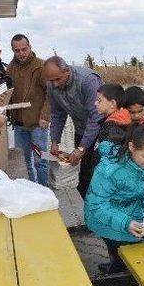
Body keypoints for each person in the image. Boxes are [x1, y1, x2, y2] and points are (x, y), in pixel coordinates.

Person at [84, 121, 144, 274]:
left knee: (132, 252)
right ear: (131, 147)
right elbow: (96, 204)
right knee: (125, 252)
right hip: (103, 217)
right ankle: (116, 274)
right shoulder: (109, 169)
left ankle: (118, 268)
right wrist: (125, 223)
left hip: (131, 215)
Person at [46, 55, 103, 199]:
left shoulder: (88, 81)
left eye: (58, 79)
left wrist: (82, 148)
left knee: (98, 174)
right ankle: (86, 207)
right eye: (51, 80)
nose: (55, 85)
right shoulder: (52, 85)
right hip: (80, 130)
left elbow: (96, 117)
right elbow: (57, 114)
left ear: (67, 71)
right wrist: (54, 140)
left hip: (101, 131)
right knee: (83, 174)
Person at [7, 34, 50, 185]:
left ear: (30, 47)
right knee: (23, 162)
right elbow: (8, 93)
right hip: (19, 124)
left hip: (38, 123)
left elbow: (50, 94)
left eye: (24, 49)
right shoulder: (10, 68)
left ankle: (44, 192)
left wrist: (45, 115)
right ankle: (30, 192)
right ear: (13, 50)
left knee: (41, 160)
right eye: (17, 50)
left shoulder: (41, 66)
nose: (21, 53)